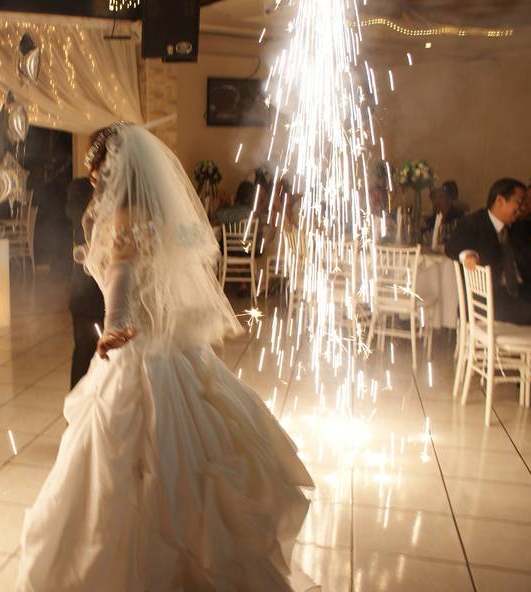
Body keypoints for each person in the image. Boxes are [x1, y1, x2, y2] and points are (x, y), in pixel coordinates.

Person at [17, 125, 314, 591]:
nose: (95, 187)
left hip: (140, 355)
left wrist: (113, 326)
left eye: (97, 177)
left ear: (112, 172)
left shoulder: (122, 220)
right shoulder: (158, 216)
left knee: (127, 475)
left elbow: (121, 277)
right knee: (201, 460)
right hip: (176, 350)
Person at [446, 178, 531, 415]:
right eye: (519, 201)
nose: (522, 207)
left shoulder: (514, 227)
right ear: (500, 200)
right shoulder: (475, 222)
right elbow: (452, 245)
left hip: (515, 296)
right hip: (492, 304)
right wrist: (469, 255)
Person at [64, 133, 106, 390]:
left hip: (115, 293)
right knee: (84, 351)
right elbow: (79, 216)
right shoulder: (80, 188)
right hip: (86, 293)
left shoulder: (125, 194)